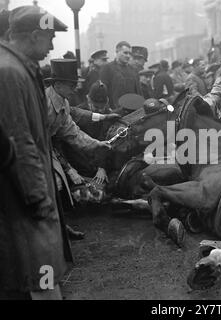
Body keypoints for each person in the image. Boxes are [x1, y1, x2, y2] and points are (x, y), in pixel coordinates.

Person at [0, 5, 70, 300]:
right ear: (33, 36)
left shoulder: (15, 67)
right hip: (22, 199)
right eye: (50, 38)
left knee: (36, 276)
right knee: (36, 274)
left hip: (23, 194)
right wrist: (39, 198)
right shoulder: (9, 73)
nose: (53, 45)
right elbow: (21, 141)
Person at [46, 59, 111, 211]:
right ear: (57, 85)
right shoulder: (45, 104)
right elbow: (41, 141)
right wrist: (68, 168)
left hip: (47, 150)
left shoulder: (64, 103)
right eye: (71, 85)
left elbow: (72, 132)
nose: (75, 89)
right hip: (30, 150)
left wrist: (96, 144)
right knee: (54, 184)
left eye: (76, 85)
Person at [100, 41, 142, 107]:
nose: (128, 56)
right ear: (117, 52)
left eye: (129, 53)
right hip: (115, 109)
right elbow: (103, 91)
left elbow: (138, 91)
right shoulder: (108, 69)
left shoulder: (133, 70)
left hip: (132, 108)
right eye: (125, 53)